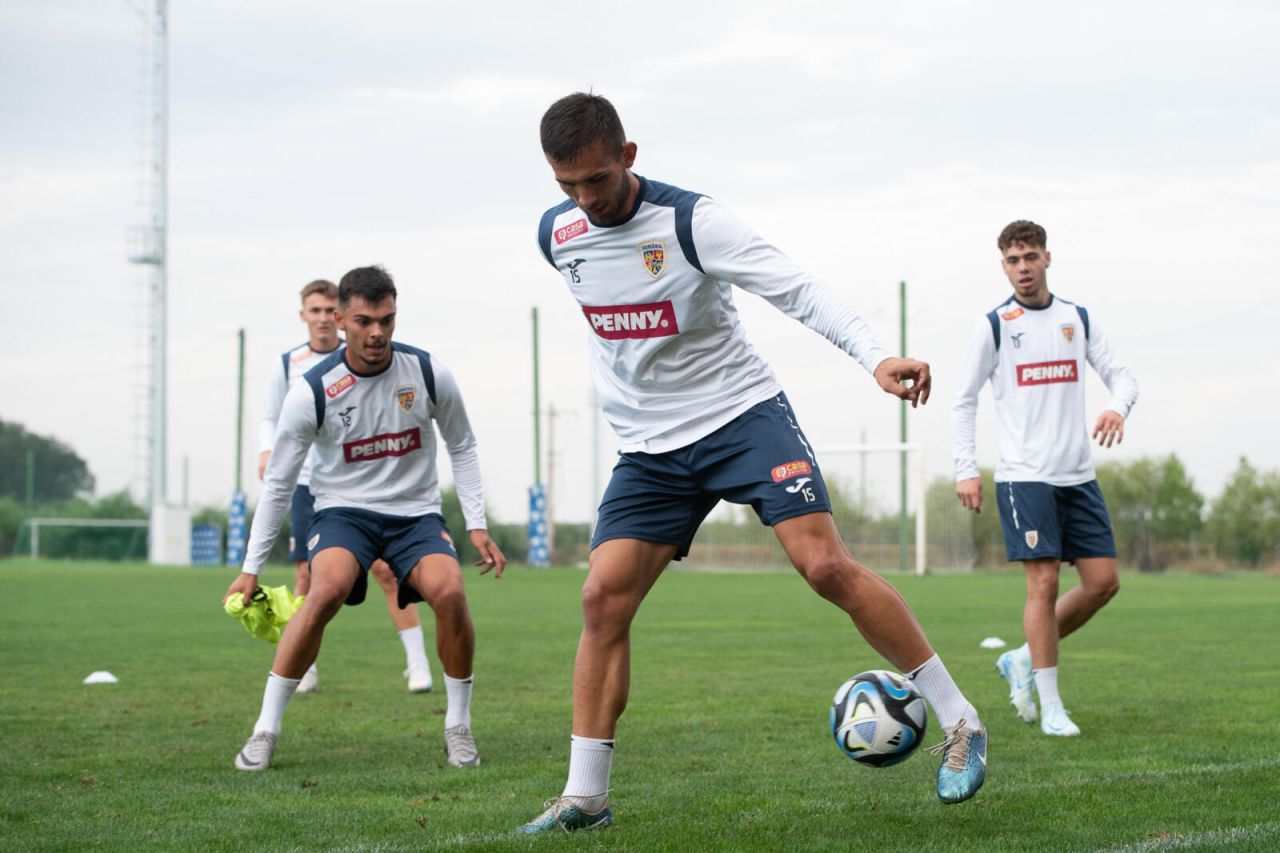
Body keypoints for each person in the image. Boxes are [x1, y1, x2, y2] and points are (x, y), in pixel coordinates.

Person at [518, 92, 987, 834]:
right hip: (649, 450)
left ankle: (961, 721)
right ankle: (586, 796)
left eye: (597, 180)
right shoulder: (557, 235)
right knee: (601, 598)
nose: (584, 198)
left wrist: (876, 355)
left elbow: (796, 289)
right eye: (566, 185)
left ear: (629, 157)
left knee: (824, 566)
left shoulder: (690, 222)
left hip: (740, 418)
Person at [225, 265, 506, 772]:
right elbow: (280, 484)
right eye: (363, 321)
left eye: (386, 320)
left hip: (414, 515)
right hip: (343, 513)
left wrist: (477, 523)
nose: (376, 332)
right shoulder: (311, 389)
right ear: (340, 319)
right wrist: (251, 568)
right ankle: (265, 729)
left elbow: (462, 444)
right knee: (325, 589)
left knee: (451, 592)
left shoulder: (425, 372)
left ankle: (458, 727)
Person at [952, 220, 1139, 737]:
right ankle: (1052, 705)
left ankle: (1020, 658)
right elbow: (964, 399)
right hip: (1023, 476)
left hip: (1077, 475)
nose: (1023, 268)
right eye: (1013, 260)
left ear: (1047, 259)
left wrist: (1116, 408)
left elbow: (1122, 375)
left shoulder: (1076, 319)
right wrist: (966, 468)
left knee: (1103, 583)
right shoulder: (994, 325)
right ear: (1003, 266)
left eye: (1030, 256)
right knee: (1045, 580)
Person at [258, 279, 436, 695]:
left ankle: (418, 663)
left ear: (338, 317)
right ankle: (307, 667)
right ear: (303, 315)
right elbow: (270, 416)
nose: (321, 319)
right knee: (308, 575)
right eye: (313, 311)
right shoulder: (289, 364)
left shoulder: (358, 359)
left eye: (327, 311)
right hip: (307, 484)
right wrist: (266, 451)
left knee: (388, 571)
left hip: (357, 484)